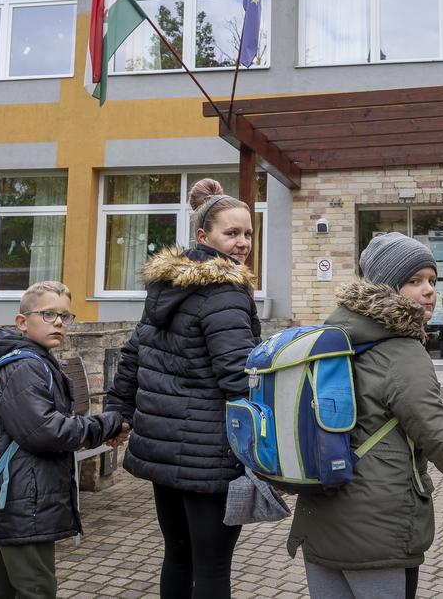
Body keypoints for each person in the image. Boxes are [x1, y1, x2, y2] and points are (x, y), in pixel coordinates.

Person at [289, 231, 443, 599]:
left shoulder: (332, 338)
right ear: (386, 286)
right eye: (414, 281)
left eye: (432, 280)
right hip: (378, 532)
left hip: (319, 517)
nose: (429, 290)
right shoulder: (402, 352)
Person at [106, 179, 260, 599]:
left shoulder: (167, 286)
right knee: (211, 570)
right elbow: (238, 376)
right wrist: (265, 441)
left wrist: (118, 413)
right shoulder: (226, 290)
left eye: (248, 232)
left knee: (177, 556)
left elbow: (133, 352)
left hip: (162, 446)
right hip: (209, 452)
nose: (243, 242)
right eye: (232, 233)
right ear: (203, 236)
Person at [0, 280, 130, 599]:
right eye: (48, 314)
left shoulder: (34, 361)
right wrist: (109, 423)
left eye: (65, 316)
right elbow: (47, 431)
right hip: (23, 500)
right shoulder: (23, 367)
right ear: (22, 322)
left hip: (17, 498)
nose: (59, 322)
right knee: (37, 589)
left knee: (1, 589)